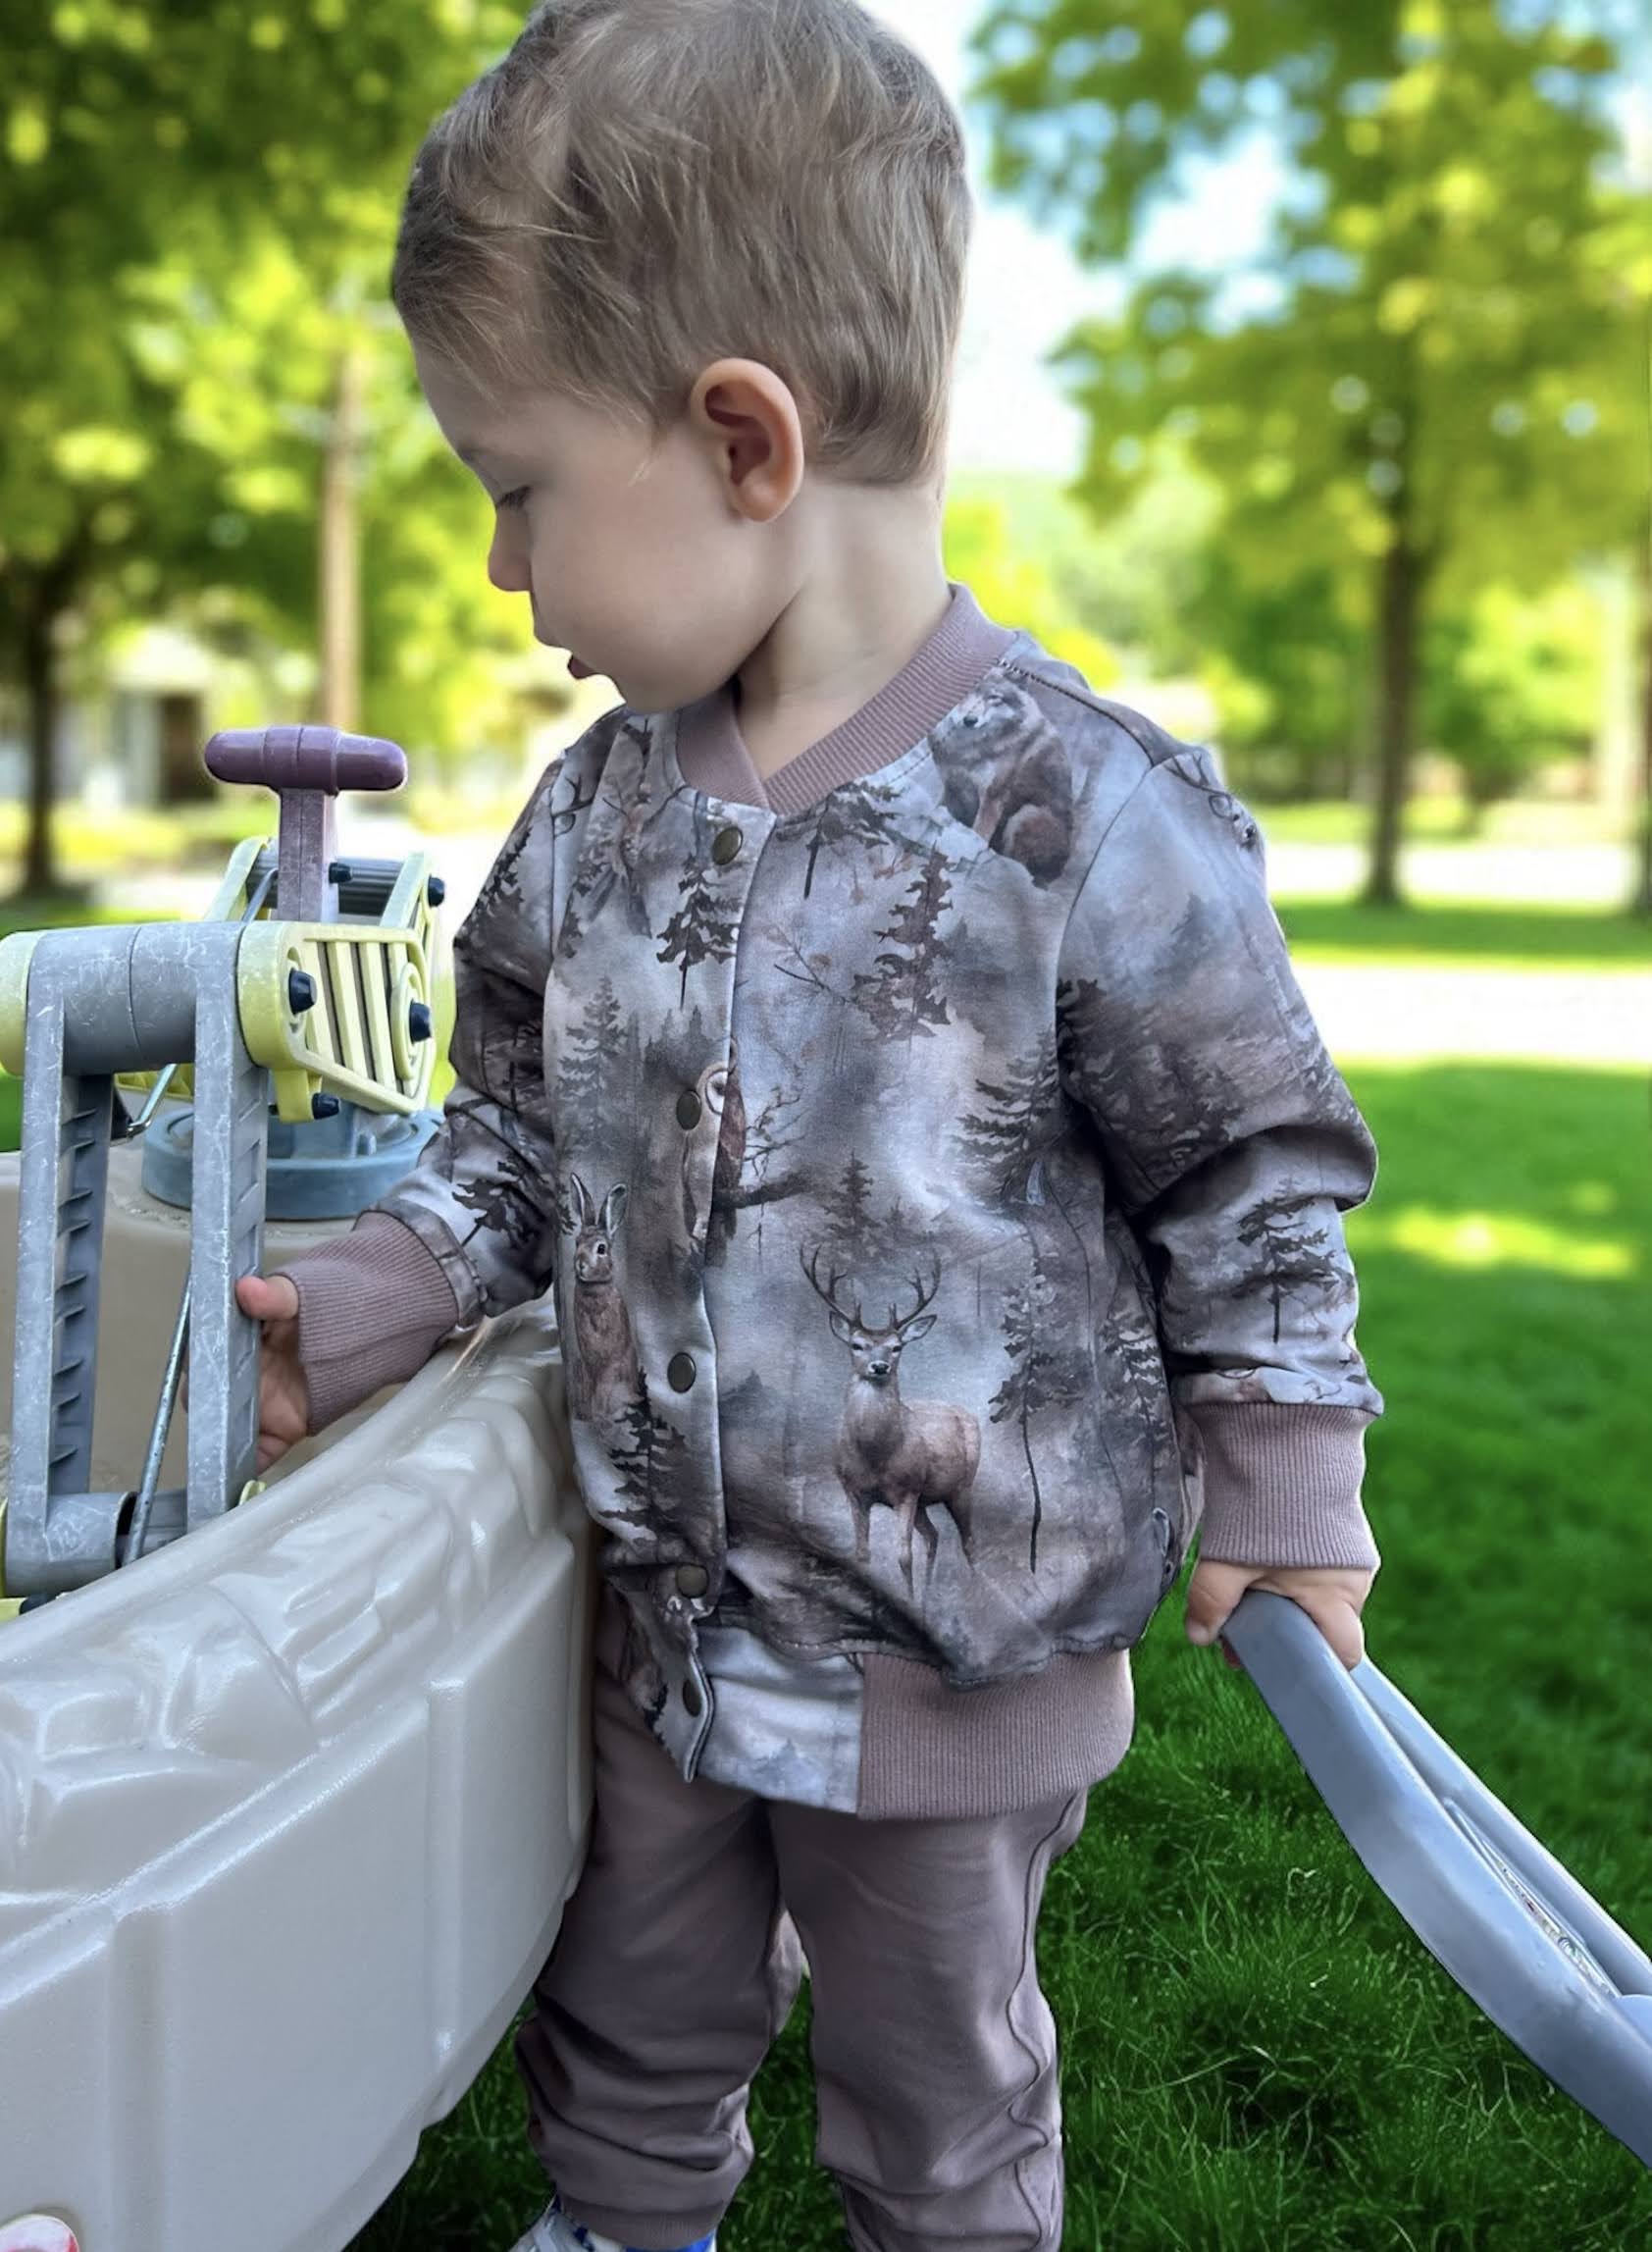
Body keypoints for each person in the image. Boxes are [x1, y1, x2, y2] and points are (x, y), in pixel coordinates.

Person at [245, 5, 1383, 2247]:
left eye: (516, 488)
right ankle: (622, 2217)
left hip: (956, 1657)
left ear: (740, 440)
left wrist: (1284, 1476)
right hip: (658, 1623)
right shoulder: (591, 819)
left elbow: (1244, 1167)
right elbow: (510, 1129)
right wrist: (370, 1295)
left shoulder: (1086, 816)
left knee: (931, 2077)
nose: (502, 572)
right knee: (627, 2004)